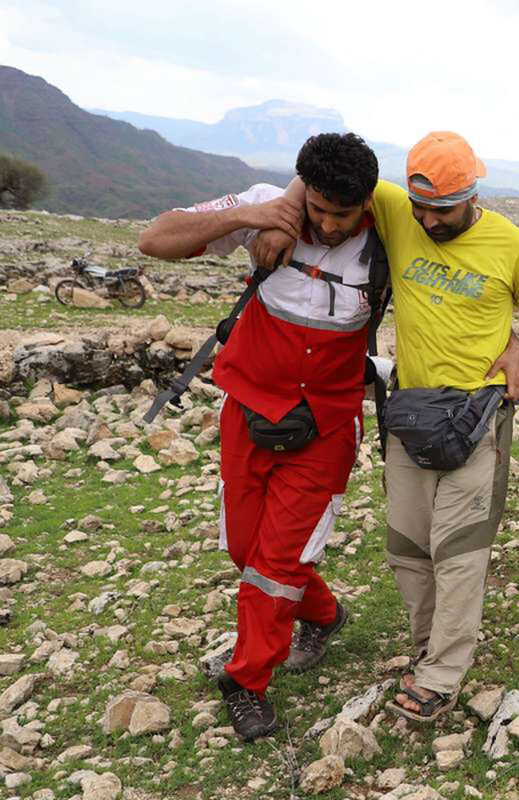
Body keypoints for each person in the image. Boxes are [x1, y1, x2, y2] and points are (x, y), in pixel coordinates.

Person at [256, 131, 519, 725]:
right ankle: (429, 646)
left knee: (459, 547)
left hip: (479, 415)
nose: (428, 219)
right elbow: (322, 173)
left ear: (473, 196)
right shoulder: (397, 210)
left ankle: (442, 673)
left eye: (443, 210)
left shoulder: (510, 245)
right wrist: (280, 217)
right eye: (421, 206)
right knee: (407, 544)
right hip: (407, 410)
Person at [136, 133, 390, 741]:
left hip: (327, 423)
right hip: (248, 410)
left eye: (343, 215)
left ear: (367, 206)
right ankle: (324, 615)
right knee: (246, 549)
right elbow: (154, 238)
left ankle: (247, 680)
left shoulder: (390, 235)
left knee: (276, 564)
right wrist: (258, 215)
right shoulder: (265, 207)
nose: (328, 226)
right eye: (318, 210)